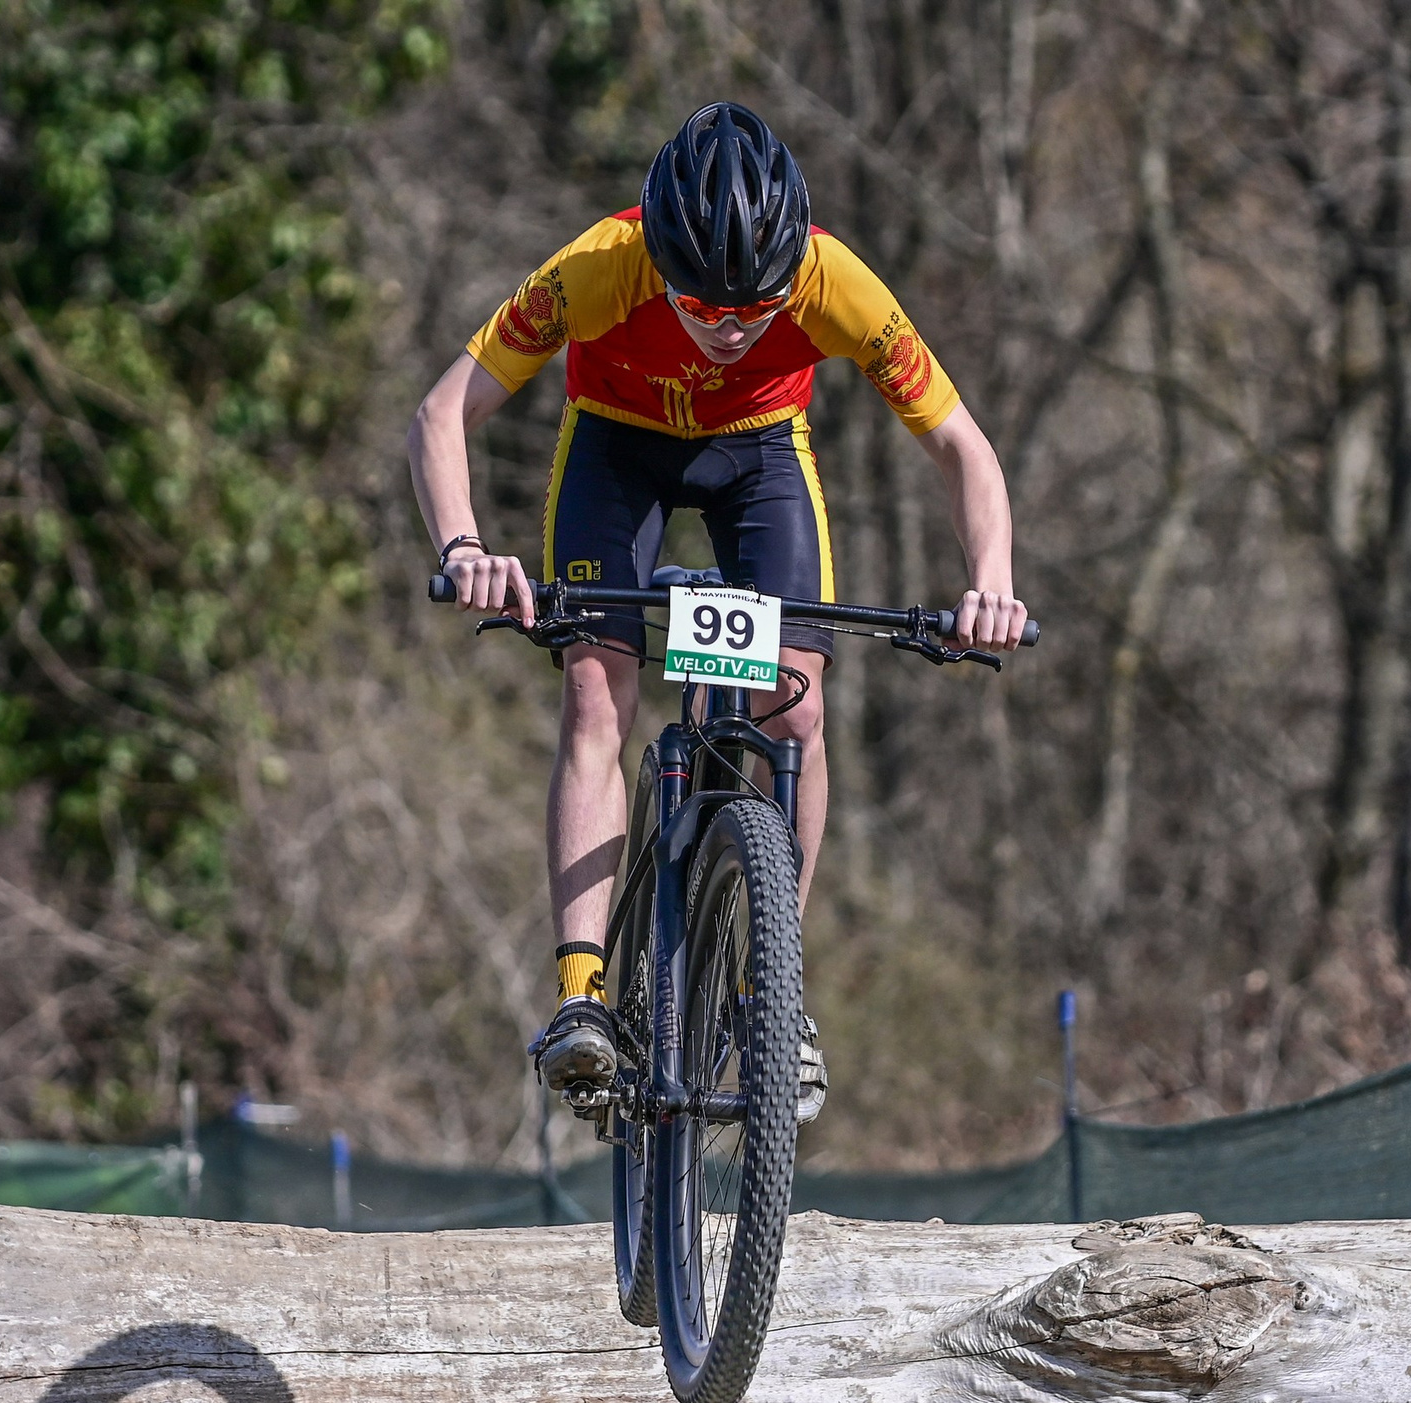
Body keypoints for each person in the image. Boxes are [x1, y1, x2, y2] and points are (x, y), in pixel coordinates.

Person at [406, 100, 1026, 1118]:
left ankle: (770, 998)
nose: (730, 330)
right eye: (701, 306)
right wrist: (465, 549)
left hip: (760, 455)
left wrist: (991, 580)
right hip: (617, 445)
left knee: (797, 705)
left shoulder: (833, 281)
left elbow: (961, 445)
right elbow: (444, 412)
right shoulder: (599, 266)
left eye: (757, 307)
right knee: (597, 689)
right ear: (658, 265)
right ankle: (581, 995)